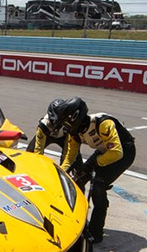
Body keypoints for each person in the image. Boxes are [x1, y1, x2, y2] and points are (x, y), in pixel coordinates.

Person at [56, 97, 137, 244]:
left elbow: (117, 153)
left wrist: (96, 164)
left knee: (98, 187)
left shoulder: (103, 123)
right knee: (78, 180)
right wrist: (62, 172)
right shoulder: (75, 133)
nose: (64, 126)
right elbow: (70, 156)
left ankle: (95, 232)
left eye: (66, 122)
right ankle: (77, 221)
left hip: (124, 152)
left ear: (75, 118)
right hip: (104, 150)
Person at [27, 97, 78, 171]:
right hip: (47, 136)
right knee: (30, 152)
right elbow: (38, 150)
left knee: (75, 157)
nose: (56, 126)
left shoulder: (68, 125)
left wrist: (63, 169)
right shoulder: (43, 125)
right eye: (53, 122)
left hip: (63, 137)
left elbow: (68, 150)